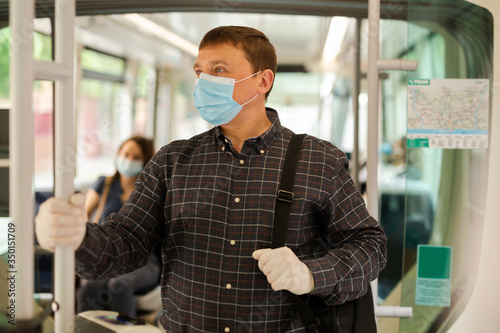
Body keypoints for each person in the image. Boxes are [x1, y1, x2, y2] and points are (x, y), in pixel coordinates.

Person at [35, 26, 387, 332]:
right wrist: (79, 237)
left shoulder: (319, 160)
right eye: (200, 72)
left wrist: (310, 274)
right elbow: (126, 242)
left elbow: (370, 246)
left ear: (263, 81)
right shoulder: (172, 161)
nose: (204, 82)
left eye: (219, 70)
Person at [76, 135, 161, 317]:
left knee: (118, 284)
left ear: (146, 161)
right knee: (91, 284)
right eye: (125, 154)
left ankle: (125, 329)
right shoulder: (105, 184)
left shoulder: (151, 191)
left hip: (145, 261)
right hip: (108, 254)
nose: (128, 160)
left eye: (136, 157)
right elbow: (82, 217)